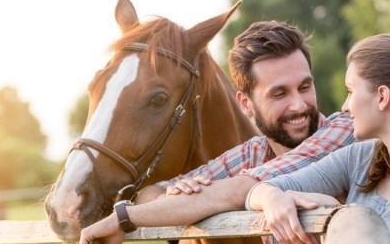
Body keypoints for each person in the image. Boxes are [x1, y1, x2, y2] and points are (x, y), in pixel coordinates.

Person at [78, 21, 354, 244]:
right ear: (246, 103)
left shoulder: (344, 131)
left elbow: (236, 191)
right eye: (279, 93)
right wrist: (174, 190)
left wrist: (125, 217)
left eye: (304, 87)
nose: (298, 105)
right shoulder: (251, 153)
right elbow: (149, 195)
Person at [247, 33, 390, 243]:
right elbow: (260, 190)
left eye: (351, 91)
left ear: (382, 96)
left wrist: (337, 214)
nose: (345, 107)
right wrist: (273, 199)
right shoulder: (359, 157)